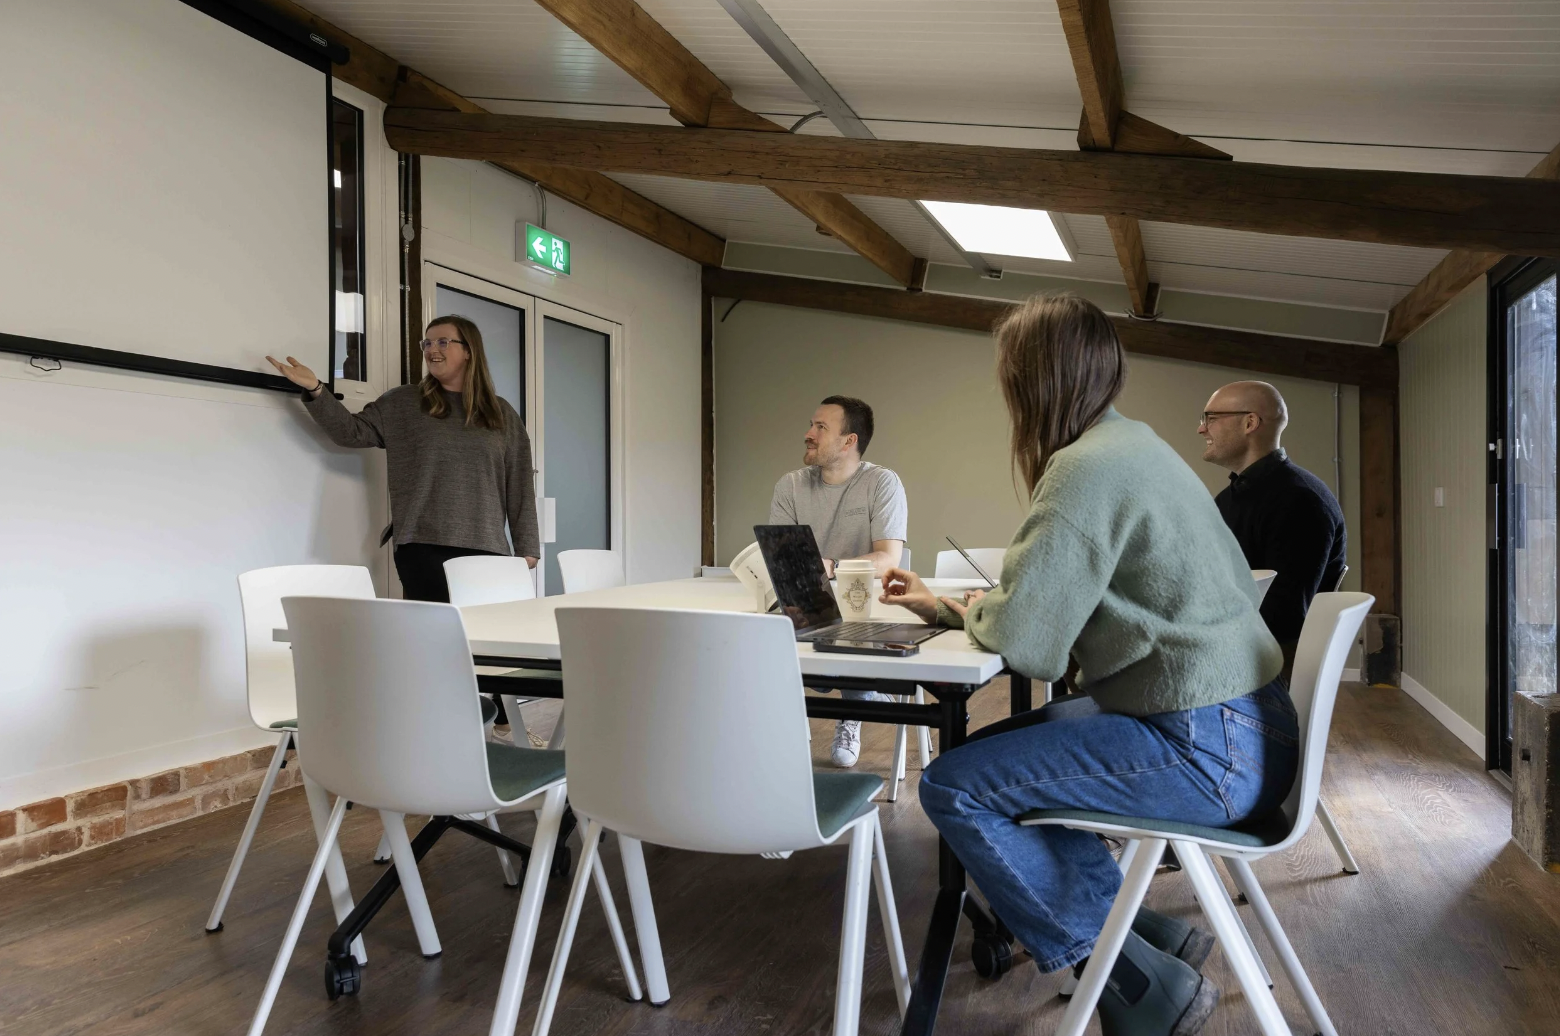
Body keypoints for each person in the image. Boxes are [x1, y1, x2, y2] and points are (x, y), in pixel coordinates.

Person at [881, 295, 1294, 1036]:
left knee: (955, 785)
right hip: (1246, 729)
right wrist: (963, 611)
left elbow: (1030, 645)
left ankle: (1139, 983)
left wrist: (980, 612)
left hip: (1203, 748)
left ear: (1033, 382)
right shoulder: (1133, 445)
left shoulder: (1081, 471)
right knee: (1005, 758)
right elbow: (1051, 617)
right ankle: (1155, 941)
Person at [267, 315, 539, 738]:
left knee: (487, 648)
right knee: (441, 648)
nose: (432, 349)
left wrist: (528, 547)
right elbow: (352, 432)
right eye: (427, 342)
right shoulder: (404, 403)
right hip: (423, 544)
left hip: (487, 551)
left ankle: (496, 735)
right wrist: (316, 389)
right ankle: (443, 745)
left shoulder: (501, 415)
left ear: (469, 349)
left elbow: (519, 482)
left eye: (443, 341)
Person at [769, 395, 907, 768]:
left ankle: (855, 708)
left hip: (865, 606)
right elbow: (784, 556)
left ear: (849, 441)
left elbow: (887, 559)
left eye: (820, 427)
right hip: (807, 602)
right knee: (760, 639)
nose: (808, 434)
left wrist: (830, 566)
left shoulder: (882, 483)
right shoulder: (791, 485)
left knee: (844, 636)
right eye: (812, 425)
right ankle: (863, 696)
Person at [1199, 381, 1347, 675]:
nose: (1202, 429)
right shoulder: (1231, 497)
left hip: (1255, 672)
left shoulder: (1300, 501)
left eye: (1210, 418)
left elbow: (1282, 621)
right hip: (1233, 654)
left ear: (1249, 422)